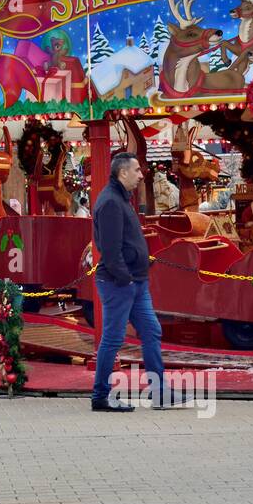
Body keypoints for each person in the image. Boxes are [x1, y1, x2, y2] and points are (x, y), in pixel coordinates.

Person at [91, 152, 185, 412]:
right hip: (120, 283)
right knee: (113, 338)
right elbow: (110, 250)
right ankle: (100, 396)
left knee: (151, 331)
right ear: (123, 173)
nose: (141, 175)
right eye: (136, 170)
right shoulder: (111, 202)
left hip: (134, 281)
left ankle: (160, 392)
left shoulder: (120, 199)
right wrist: (126, 278)